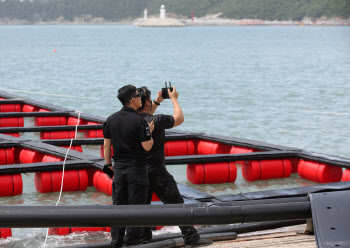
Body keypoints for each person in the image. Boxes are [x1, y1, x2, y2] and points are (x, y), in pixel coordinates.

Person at [137, 86, 213, 247]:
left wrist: (157, 101)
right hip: (156, 171)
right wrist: (174, 99)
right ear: (147, 102)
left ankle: (144, 240)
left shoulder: (132, 121)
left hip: (138, 172)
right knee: (176, 204)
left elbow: (144, 115)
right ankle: (190, 237)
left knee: (142, 207)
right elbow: (179, 118)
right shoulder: (156, 120)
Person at [103, 85, 154, 248]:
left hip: (118, 169)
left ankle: (116, 242)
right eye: (139, 96)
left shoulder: (111, 118)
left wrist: (108, 165)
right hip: (136, 170)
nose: (141, 98)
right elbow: (147, 147)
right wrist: (150, 132)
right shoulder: (140, 121)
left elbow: (106, 145)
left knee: (118, 206)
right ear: (133, 100)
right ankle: (131, 243)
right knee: (135, 208)